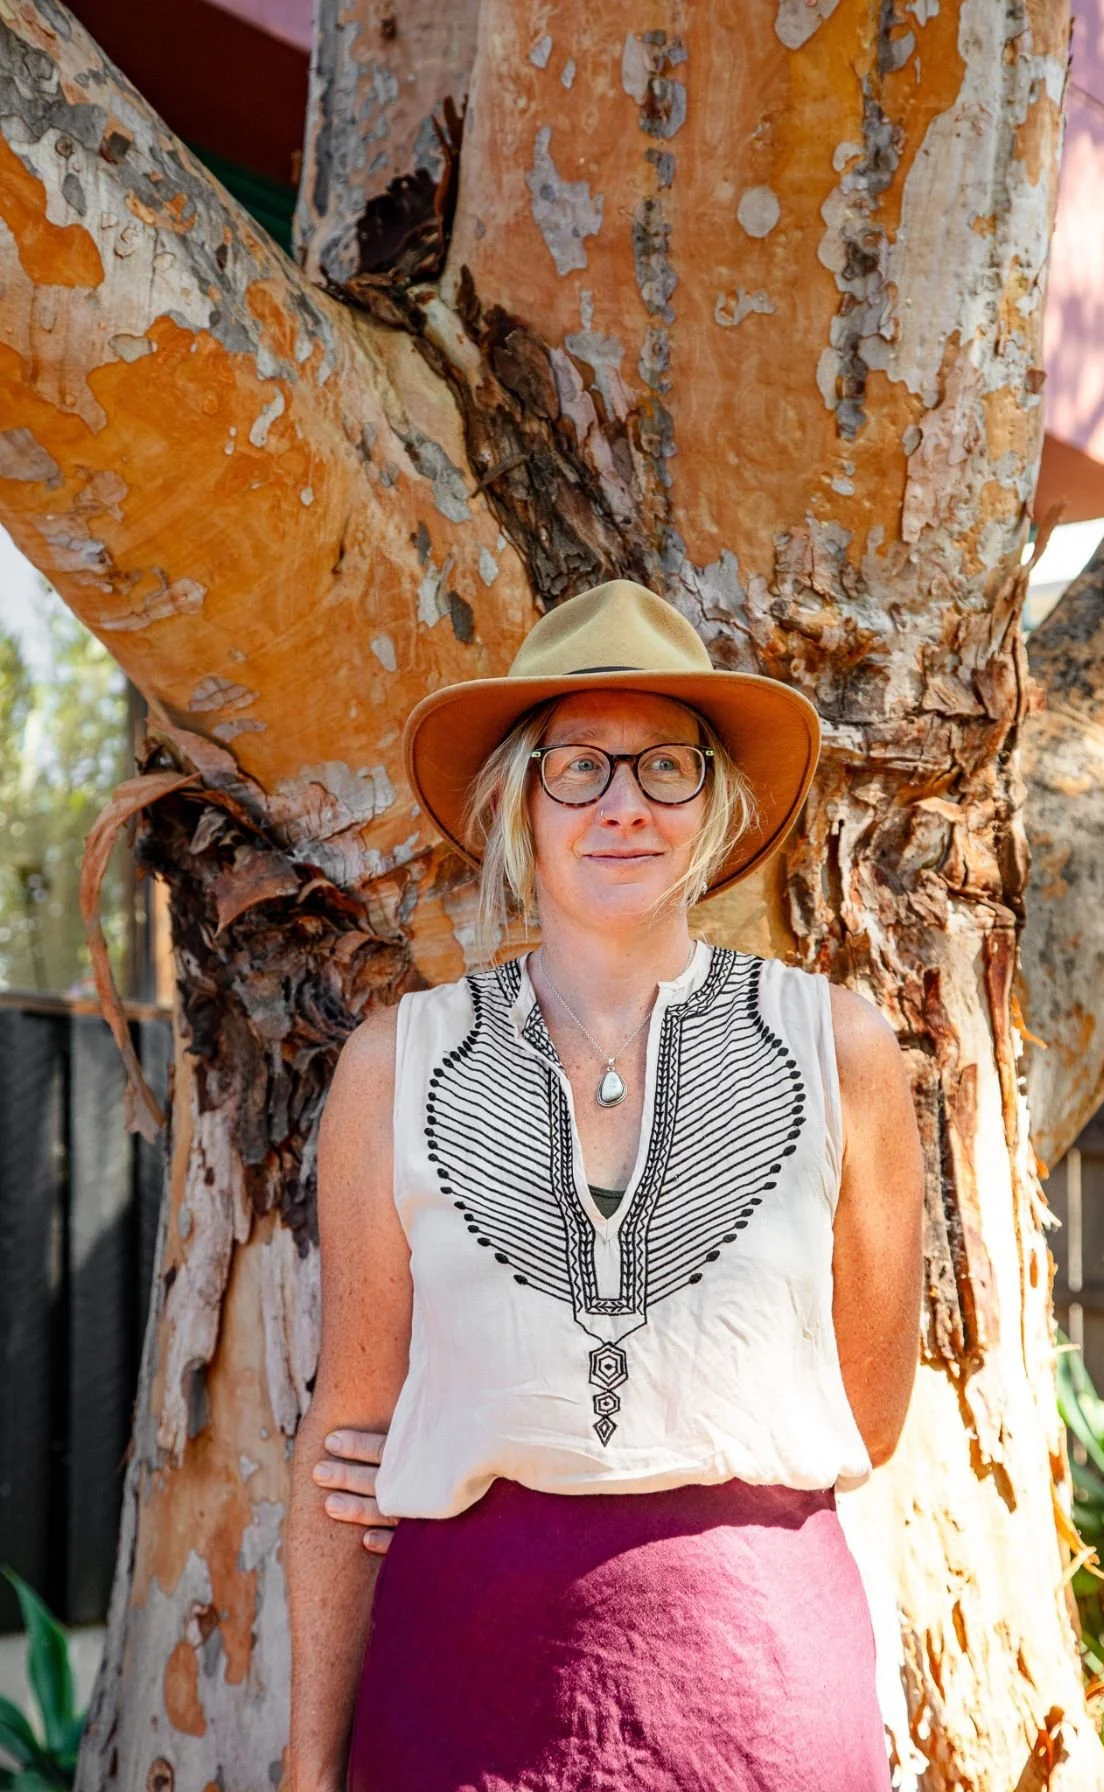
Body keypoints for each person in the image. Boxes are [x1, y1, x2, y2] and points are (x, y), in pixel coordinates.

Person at [285, 580, 925, 1792]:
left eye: (666, 767)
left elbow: (871, 1409)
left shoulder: (840, 1048)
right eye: (577, 766)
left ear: (715, 804)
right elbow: (348, 1436)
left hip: (760, 1687)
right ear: (518, 802)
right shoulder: (399, 1063)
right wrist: (311, 1761)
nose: (623, 805)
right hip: (465, 1680)